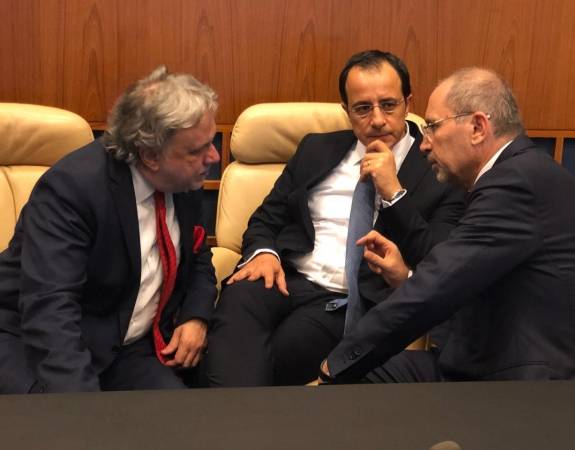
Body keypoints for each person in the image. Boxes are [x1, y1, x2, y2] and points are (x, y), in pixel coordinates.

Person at [319, 67, 575, 384]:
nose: (424, 145)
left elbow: (436, 286)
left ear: (477, 127)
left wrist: (334, 366)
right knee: (366, 377)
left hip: (531, 382)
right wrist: (406, 278)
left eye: (432, 127)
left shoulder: (516, 184)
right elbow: (460, 276)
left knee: (347, 380)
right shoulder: (517, 173)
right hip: (486, 355)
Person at [206, 50, 466, 386]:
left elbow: (437, 258)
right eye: (363, 108)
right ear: (346, 111)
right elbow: (265, 219)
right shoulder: (316, 148)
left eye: (389, 105)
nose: (377, 120)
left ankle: (224, 413)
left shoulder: (440, 169)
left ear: (408, 103)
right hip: (284, 276)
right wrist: (264, 252)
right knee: (238, 300)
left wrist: (393, 192)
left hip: (345, 300)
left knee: (278, 351)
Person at [0, 66, 220, 393]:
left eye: (211, 143)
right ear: (150, 155)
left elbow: (198, 255)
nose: (213, 156)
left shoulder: (183, 181)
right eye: (196, 150)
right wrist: (83, 410)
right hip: (33, 344)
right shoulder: (71, 190)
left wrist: (195, 315)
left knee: (184, 418)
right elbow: (50, 310)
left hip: (121, 347)